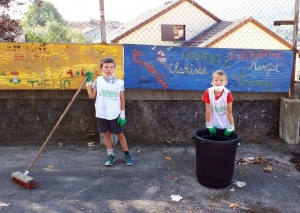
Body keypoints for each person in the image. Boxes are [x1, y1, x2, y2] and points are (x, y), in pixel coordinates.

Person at [84, 57, 133, 166]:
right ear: (101, 69)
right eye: (106, 67)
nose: (109, 69)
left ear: (114, 68)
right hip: (102, 113)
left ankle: (127, 154)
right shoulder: (98, 81)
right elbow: (91, 95)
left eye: (111, 67)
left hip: (114, 113)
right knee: (106, 134)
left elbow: (122, 99)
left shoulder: (119, 83)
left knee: (120, 134)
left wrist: (122, 114)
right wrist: (88, 82)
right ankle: (110, 155)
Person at [201, 70, 235, 137]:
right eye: (216, 80)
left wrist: (231, 126)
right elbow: (208, 110)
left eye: (221, 80)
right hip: (213, 124)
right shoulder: (208, 92)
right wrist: (208, 124)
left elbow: (229, 112)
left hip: (225, 125)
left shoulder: (228, 93)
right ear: (212, 81)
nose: (218, 82)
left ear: (226, 82)